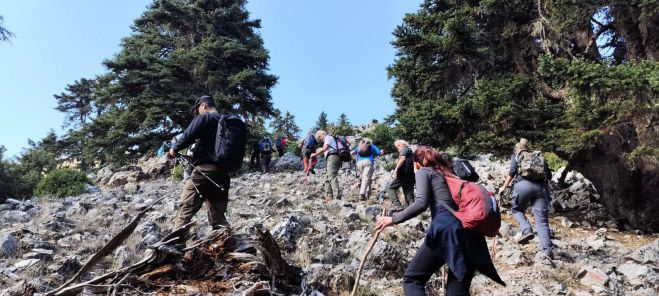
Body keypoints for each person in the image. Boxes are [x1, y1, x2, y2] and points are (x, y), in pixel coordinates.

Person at [376, 146, 505, 295]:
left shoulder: (424, 171)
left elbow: (421, 203)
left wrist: (393, 219)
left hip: (447, 230)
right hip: (471, 233)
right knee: (456, 293)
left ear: (416, 163)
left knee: (412, 279)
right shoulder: (450, 172)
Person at [169, 95, 231, 237]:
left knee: (185, 210)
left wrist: (174, 149)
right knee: (219, 218)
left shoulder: (205, 118)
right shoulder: (227, 121)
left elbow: (188, 135)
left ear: (203, 105)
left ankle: (173, 248)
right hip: (223, 175)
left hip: (204, 173)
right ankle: (229, 247)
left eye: (197, 110)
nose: (197, 114)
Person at [498, 138, 554, 264]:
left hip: (523, 186)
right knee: (542, 221)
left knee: (516, 209)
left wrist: (504, 186)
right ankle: (547, 251)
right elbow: (549, 175)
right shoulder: (538, 156)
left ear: (516, 148)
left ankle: (526, 229)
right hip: (541, 188)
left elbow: (512, 171)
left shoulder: (517, 155)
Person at [310, 130, 341, 201]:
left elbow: (325, 148)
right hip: (333, 158)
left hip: (333, 157)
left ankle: (337, 197)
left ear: (321, 135)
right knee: (327, 178)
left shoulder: (328, 137)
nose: (320, 140)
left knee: (332, 177)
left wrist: (315, 154)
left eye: (319, 138)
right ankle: (329, 196)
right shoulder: (331, 140)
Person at [387, 140, 415, 207]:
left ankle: (397, 206)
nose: (397, 148)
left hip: (403, 174)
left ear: (402, 144)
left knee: (390, 187)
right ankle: (413, 209)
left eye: (398, 146)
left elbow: (402, 158)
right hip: (411, 175)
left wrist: (396, 170)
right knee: (409, 194)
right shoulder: (410, 151)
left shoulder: (404, 149)